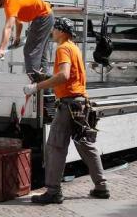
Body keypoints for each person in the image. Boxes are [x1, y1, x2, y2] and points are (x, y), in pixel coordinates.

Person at [23, 17, 110, 204]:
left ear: (62, 31)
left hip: (68, 106)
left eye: (54, 29)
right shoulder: (74, 48)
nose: (52, 32)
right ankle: (101, 187)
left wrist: (36, 87)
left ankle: (53, 192)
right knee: (86, 146)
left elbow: (63, 76)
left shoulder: (62, 48)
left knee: (55, 146)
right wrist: (45, 77)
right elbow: (69, 76)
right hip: (80, 104)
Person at [0, 0, 54, 74]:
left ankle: (33, 80)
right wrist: (17, 37)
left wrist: (1, 48)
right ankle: (43, 83)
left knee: (30, 50)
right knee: (40, 53)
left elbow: (8, 27)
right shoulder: (11, 1)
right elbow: (19, 23)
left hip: (43, 17)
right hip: (45, 16)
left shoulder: (10, 2)